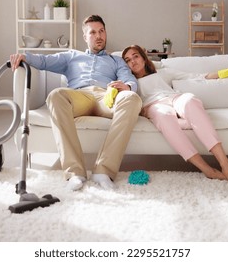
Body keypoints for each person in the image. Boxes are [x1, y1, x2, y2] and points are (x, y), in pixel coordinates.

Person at [10, 15, 142, 191]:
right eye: (93, 32)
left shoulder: (116, 60)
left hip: (106, 97)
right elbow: (44, 61)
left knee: (132, 98)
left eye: (101, 31)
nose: (98, 36)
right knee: (56, 95)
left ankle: (103, 170)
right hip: (79, 96)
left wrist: (127, 86)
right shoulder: (71, 56)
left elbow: (128, 78)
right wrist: (23, 57)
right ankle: (75, 172)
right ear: (85, 37)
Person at [121, 45, 228, 187]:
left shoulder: (162, 73)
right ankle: (207, 170)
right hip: (154, 105)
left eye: (135, 56)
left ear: (143, 58)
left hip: (174, 98)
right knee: (164, 115)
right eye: (127, 60)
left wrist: (226, 72)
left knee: (190, 101)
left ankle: (226, 164)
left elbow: (196, 77)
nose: (132, 61)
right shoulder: (130, 83)